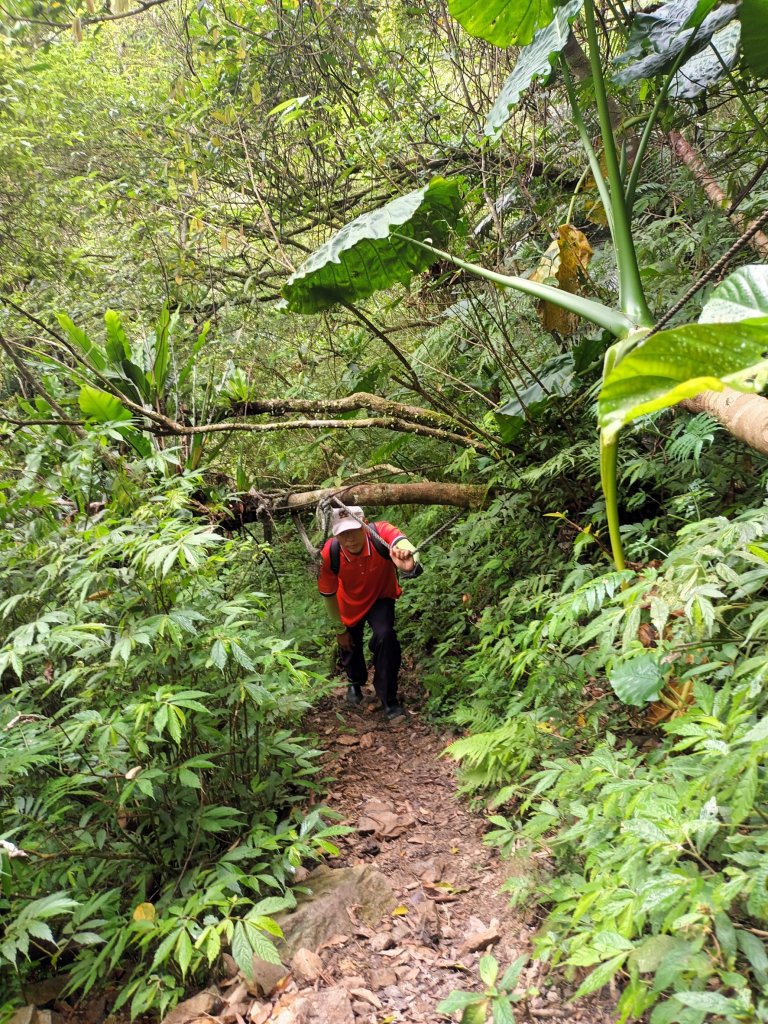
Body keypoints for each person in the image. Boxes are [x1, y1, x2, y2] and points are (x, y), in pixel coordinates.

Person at [317, 506, 419, 720]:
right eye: (343, 534)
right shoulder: (330, 552)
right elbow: (328, 593)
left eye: (354, 530)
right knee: (348, 644)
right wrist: (339, 629)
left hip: (380, 597)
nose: (350, 539)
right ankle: (355, 682)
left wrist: (408, 559)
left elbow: (400, 541)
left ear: (364, 523)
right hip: (348, 603)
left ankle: (388, 697)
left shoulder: (379, 534)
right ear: (335, 534)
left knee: (386, 637)